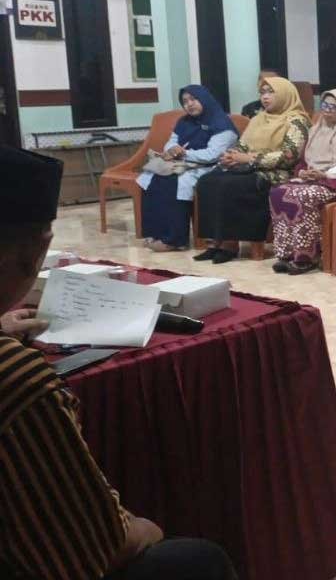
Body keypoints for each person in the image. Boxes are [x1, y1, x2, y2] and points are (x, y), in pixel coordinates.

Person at [0, 147, 238, 580]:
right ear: (37, 251)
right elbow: (92, 547)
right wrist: (147, 529)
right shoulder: (17, 378)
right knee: (196, 561)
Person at [194, 76, 310, 264]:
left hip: (277, 173)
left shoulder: (297, 121)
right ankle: (215, 242)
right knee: (208, 180)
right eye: (262, 92)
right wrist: (230, 156)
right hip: (248, 168)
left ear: (285, 94)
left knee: (230, 185)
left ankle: (230, 245)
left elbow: (289, 156)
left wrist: (250, 159)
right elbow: (242, 146)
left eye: (271, 92)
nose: (265, 97)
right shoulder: (258, 119)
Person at [267, 89, 336, 275]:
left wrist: (325, 174)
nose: (327, 110)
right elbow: (304, 160)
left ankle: (306, 257)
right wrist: (304, 172)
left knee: (303, 196)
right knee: (278, 192)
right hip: (316, 180)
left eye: (333, 107)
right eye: (325, 105)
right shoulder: (316, 129)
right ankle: (287, 254)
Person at [137, 85, 239, 252]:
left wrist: (184, 154)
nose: (189, 104)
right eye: (185, 101)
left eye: (193, 99)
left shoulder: (222, 124)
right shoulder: (184, 121)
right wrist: (172, 149)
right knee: (151, 177)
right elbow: (172, 141)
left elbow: (213, 154)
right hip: (184, 162)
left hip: (211, 167)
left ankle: (174, 240)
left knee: (174, 182)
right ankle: (155, 233)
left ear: (205, 99)